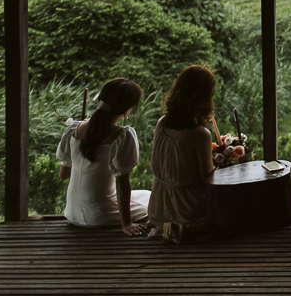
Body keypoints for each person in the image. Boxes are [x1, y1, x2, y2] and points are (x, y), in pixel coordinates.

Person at [56, 78, 150, 234]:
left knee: (143, 195)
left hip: (72, 213)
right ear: (127, 109)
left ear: (99, 99)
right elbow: (122, 183)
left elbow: (64, 175)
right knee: (151, 200)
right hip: (100, 216)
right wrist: (126, 224)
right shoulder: (122, 135)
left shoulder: (73, 129)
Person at [148, 65, 216, 232]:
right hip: (186, 211)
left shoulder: (162, 122)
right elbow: (207, 179)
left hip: (159, 209)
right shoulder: (200, 135)